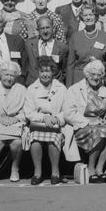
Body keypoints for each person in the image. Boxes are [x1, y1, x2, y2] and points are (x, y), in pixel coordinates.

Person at [62, 58, 106, 183]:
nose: (96, 77)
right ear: (87, 75)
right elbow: (68, 113)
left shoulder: (104, 90)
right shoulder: (75, 89)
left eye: (99, 75)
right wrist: (88, 122)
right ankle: (91, 168)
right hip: (81, 125)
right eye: (93, 74)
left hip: (100, 124)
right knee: (97, 133)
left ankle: (100, 167)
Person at [21, 55, 68, 185]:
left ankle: (55, 172)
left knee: (53, 139)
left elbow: (66, 111)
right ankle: (37, 173)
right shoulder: (31, 88)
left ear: (53, 72)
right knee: (35, 139)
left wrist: (55, 119)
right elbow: (29, 112)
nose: (45, 74)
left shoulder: (61, 88)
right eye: (42, 71)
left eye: (48, 71)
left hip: (56, 125)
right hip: (37, 125)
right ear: (38, 72)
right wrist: (44, 118)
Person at [68, 3, 106, 85]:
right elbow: (70, 65)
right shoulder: (75, 37)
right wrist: (69, 87)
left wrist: (100, 63)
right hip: (79, 81)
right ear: (82, 18)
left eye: (91, 14)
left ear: (96, 16)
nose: (88, 18)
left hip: (98, 80)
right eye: (85, 15)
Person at [0, 10, 28, 83]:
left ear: (4, 23)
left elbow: (24, 66)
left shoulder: (17, 41)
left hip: (12, 83)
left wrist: (18, 84)